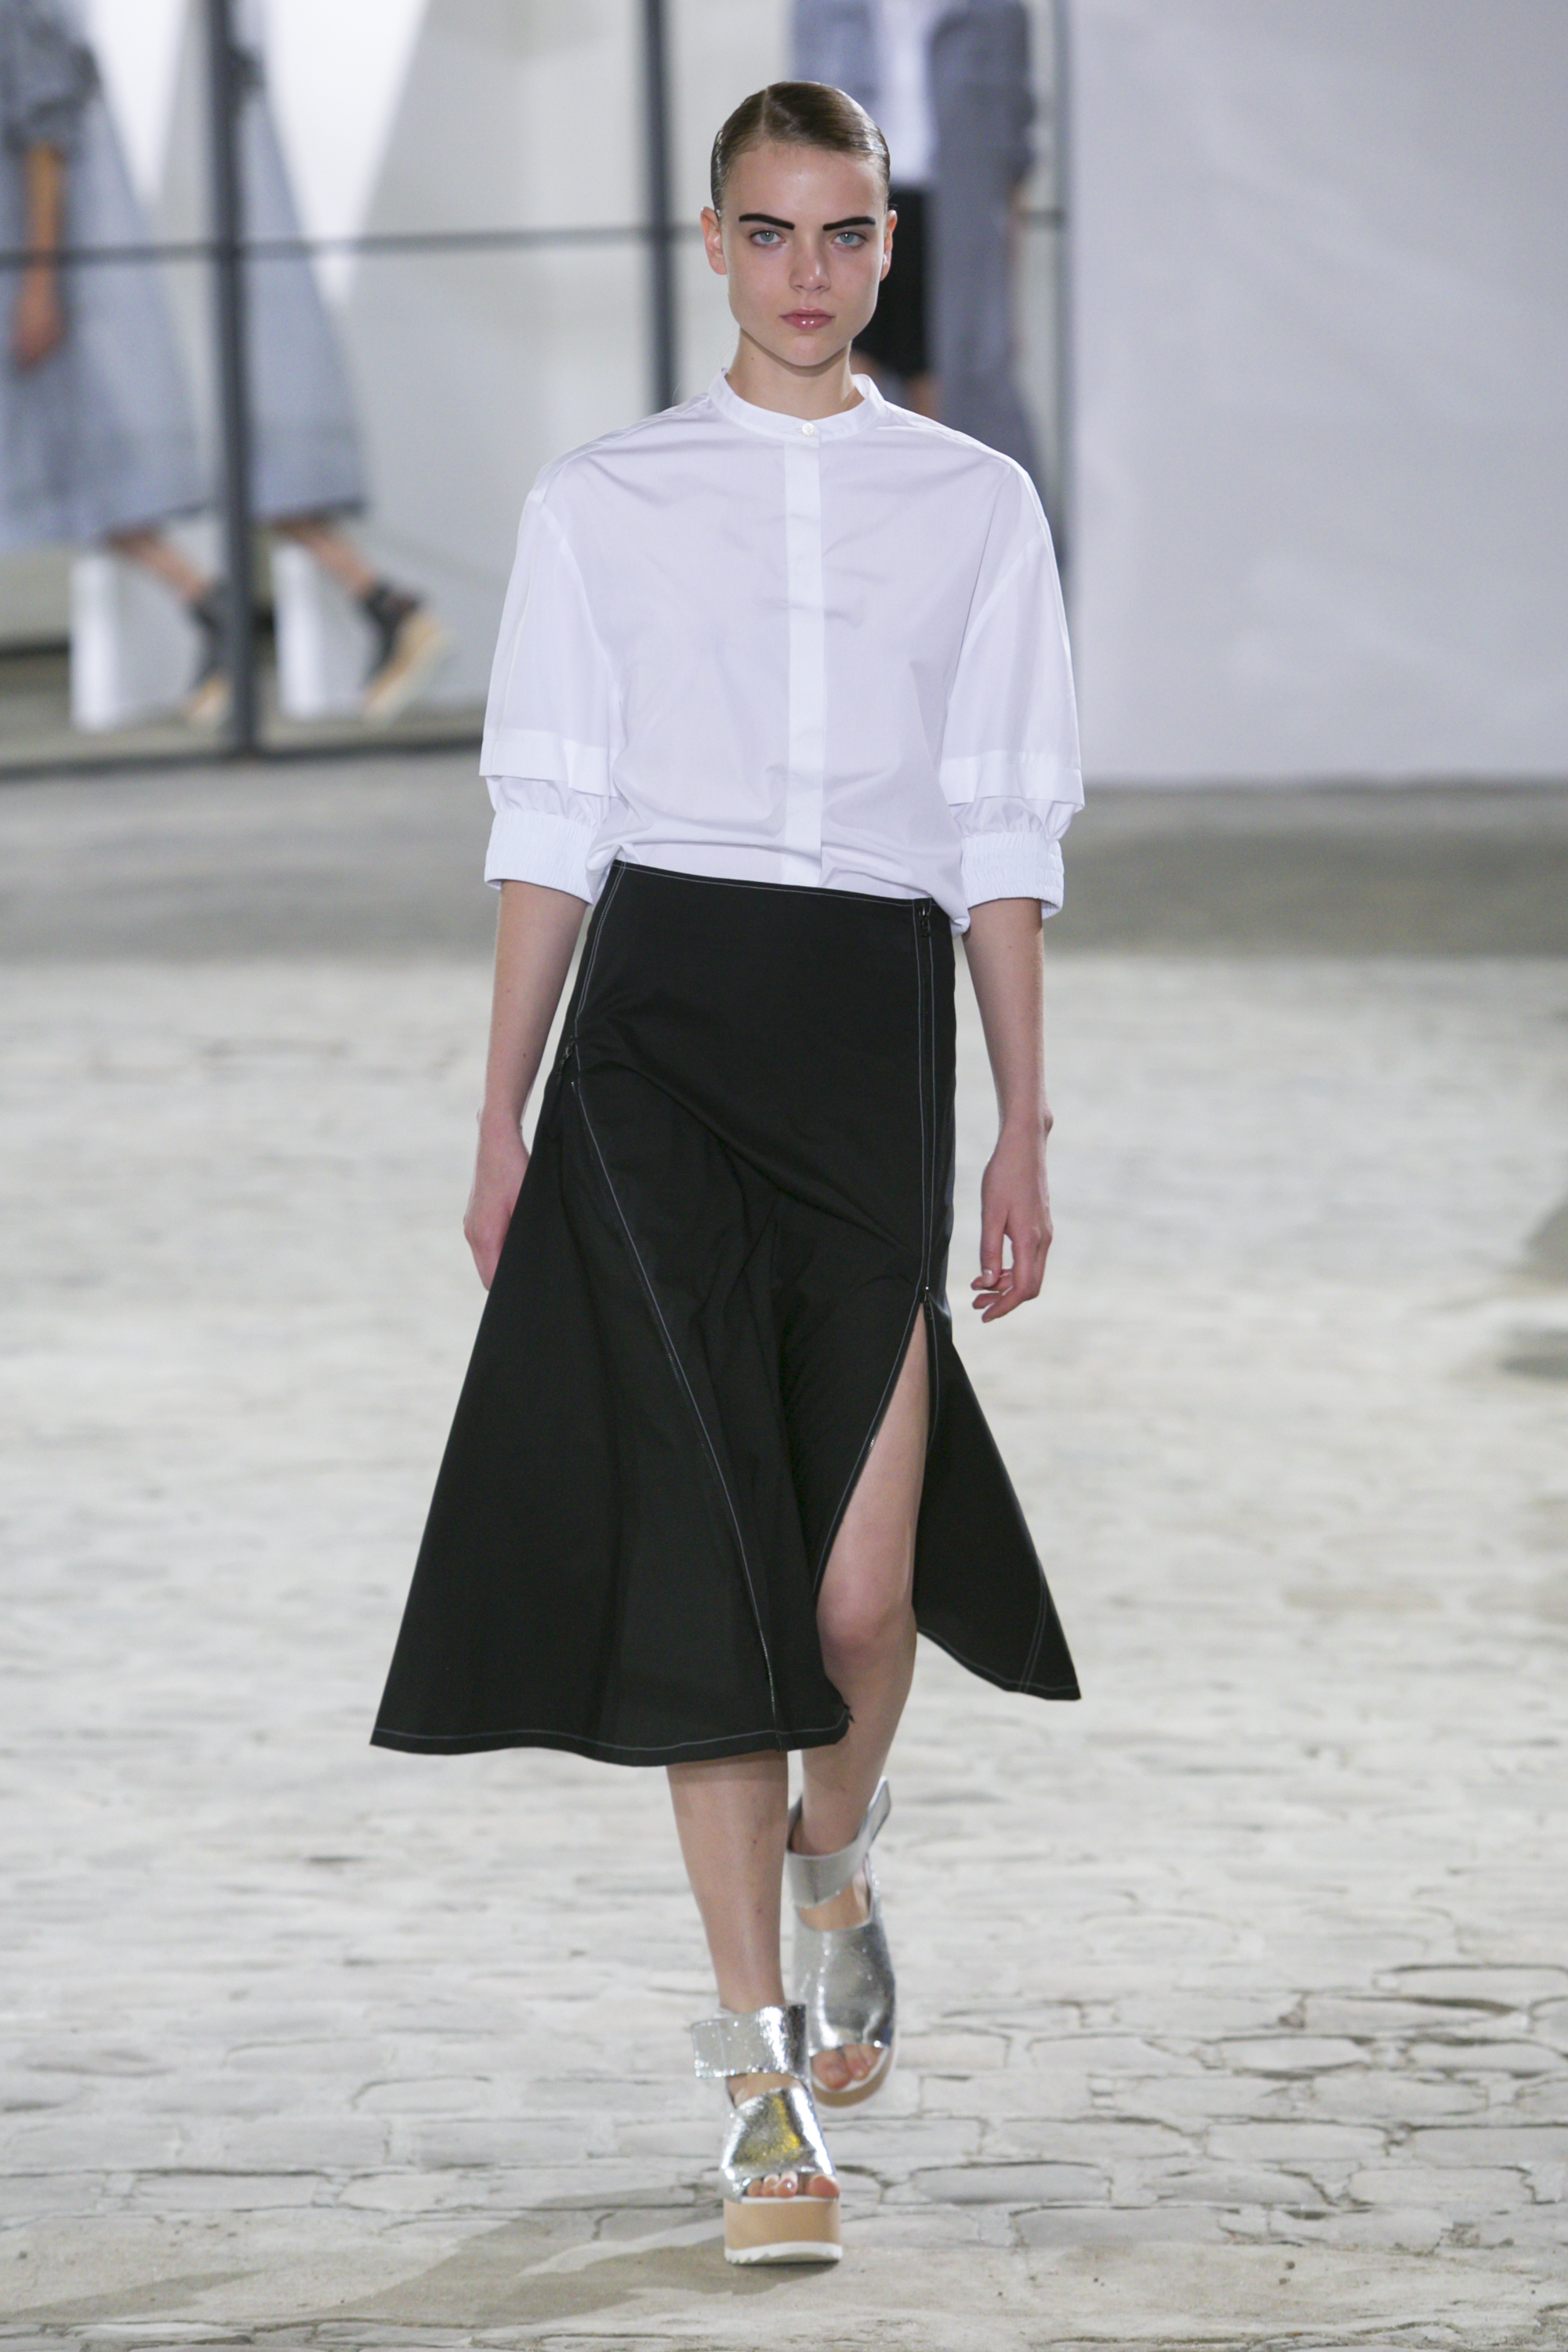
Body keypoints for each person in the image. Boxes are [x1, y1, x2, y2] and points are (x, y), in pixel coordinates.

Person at [372, 82, 1082, 2269]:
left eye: (843, 235)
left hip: (868, 1045)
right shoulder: (603, 501)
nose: (807, 273)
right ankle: (758, 2085)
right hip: (654, 1046)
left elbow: (1000, 832)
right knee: (717, 1578)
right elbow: (550, 817)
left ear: (886, 248)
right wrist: (499, 1108)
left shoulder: (973, 507)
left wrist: (1023, 1117)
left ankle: (833, 1850)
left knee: (860, 1601)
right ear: (711, 244)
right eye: (768, 233)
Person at [0, 0, 446, 727]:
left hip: (101, 274)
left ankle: (324, 606)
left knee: (154, 451)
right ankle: (261, 608)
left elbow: (44, 133)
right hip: (118, 264)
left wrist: (40, 281)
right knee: (104, 465)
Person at [792, 0, 1044, 483]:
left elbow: (1014, 154)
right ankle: (846, 518)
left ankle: (930, 520)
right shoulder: (823, 9)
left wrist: (1006, 295)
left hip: (951, 217)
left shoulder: (994, 12)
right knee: (842, 382)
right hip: (848, 204)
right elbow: (799, 122)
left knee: (941, 400)